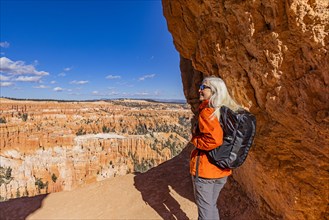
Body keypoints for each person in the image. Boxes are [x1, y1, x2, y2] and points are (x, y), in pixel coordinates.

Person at [190, 76, 240, 220]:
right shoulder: (226, 111)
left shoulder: (208, 111)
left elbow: (214, 140)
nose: (199, 90)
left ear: (214, 91)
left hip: (206, 169)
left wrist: (195, 140)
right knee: (210, 206)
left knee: (205, 210)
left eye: (203, 88)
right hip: (222, 168)